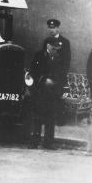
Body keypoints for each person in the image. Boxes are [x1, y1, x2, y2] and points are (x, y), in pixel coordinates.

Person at [28, 18, 71, 149]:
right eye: (49, 28)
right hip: (42, 86)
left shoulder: (65, 43)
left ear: (58, 28)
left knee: (51, 114)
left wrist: (58, 82)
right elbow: (41, 65)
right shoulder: (45, 45)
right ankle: (35, 141)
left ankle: (48, 142)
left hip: (55, 85)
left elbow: (65, 65)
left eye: (53, 28)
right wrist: (43, 80)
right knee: (38, 114)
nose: (51, 30)